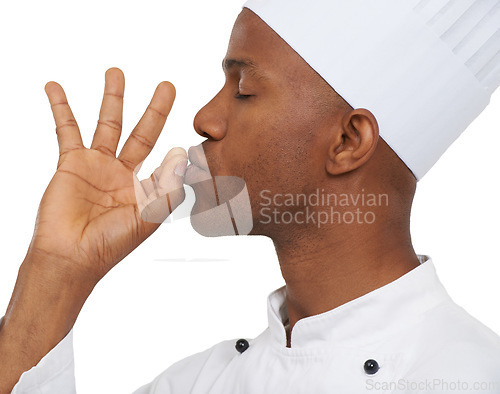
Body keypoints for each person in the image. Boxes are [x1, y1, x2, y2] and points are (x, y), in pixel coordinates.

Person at [1, 0, 500, 392]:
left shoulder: (471, 378)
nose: (204, 119)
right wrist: (57, 271)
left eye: (243, 89)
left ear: (348, 142)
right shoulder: (197, 385)